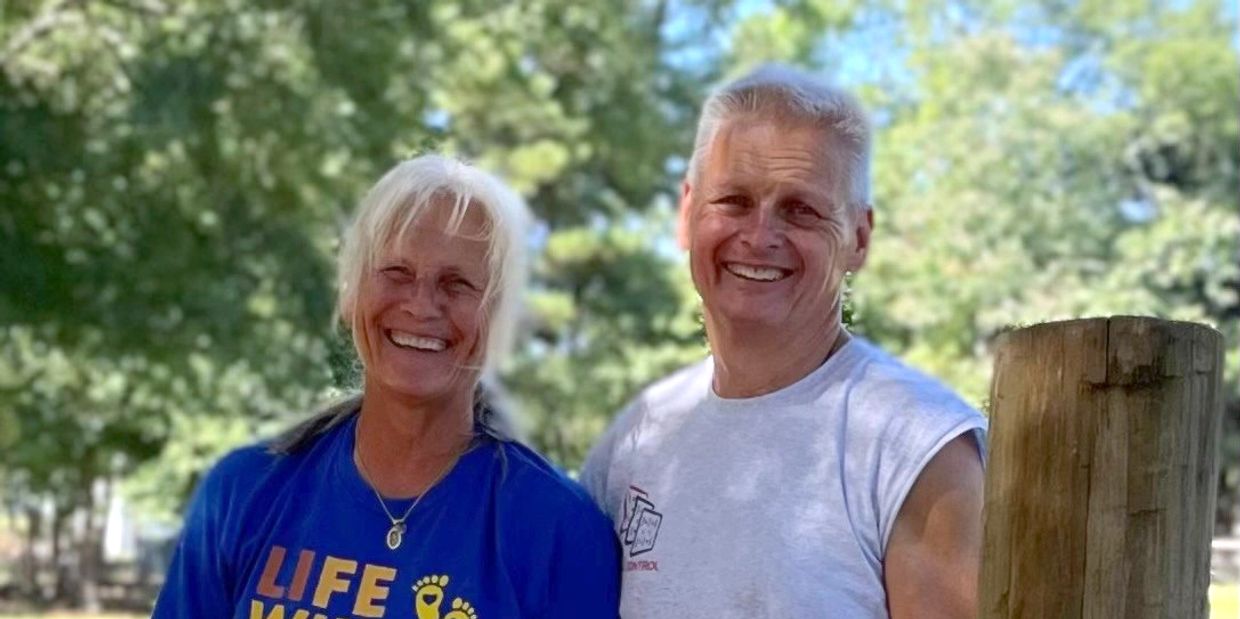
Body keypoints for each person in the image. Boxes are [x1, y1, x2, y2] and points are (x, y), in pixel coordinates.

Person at [581, 64, 986, 618]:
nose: (760, 236)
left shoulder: (917, 449)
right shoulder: (635, 441)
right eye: (734, 202)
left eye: (801, 210)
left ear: (859, 239)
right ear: (687, 214)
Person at [154, 155, 620, 618]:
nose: (421, 306)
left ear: (496, 315)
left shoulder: (559, 531)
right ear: (352, 291)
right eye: (396, 273)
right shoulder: (242, 492)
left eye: (456, 284)